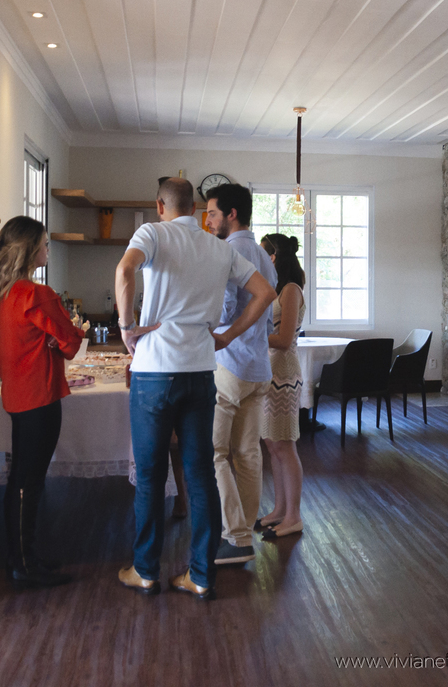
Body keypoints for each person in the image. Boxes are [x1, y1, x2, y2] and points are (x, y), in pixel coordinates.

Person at [116, 177, 276, 601]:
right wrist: (227, 336)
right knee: (201, 472)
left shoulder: (152, 233)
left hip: (155, 371)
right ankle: (201, 575)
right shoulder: (218, 248)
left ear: (160, 206)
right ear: (195, 209)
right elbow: (265, 293)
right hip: (202, 370)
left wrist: (127, 327)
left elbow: (125, 270)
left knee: (151, 475)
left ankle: (145, 570)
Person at [0, 216, 85, 588]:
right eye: (45, 243)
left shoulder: (6, 292)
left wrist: (51, 340)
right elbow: (71, 343)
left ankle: (20, 557)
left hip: (17, 394)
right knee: (30, 481)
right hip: (40, 394)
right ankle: (25, 565)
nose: (48, 248)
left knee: (20, 478)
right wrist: (61, 339)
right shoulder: (37, 294)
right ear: (30, 250)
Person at [203, 183, 278, 566]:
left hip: (230, 365)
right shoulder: (264, 255)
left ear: (231, 214)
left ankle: (234, 535)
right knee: (248, 453)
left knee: (213, 452)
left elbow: (225, 308)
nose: (208, 220)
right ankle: (242, 536)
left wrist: (201, 318)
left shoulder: (228, 251)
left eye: (212, 213)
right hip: (258, 366)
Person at [257, 233, 306, 539]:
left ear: (274, 257)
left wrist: (249, 335)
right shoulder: (277, 288)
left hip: (284, 373)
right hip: (270, 371)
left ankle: (294, 516)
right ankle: (279, 510)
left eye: (263, 254)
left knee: (285, 446)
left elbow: (285, 340)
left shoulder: (291, 290)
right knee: (272, 445)